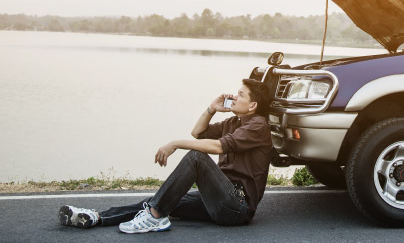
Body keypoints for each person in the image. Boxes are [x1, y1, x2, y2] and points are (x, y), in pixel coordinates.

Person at [58, 78, 271, 233]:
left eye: (241, 95)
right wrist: (211, 108)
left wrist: (175, 144)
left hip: (236, 207)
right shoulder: (233, 122)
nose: (234, 96)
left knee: (196, 157)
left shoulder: (257, 126)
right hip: (219, 198)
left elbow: (217, 147)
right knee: (159, 200)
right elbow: (197, 133)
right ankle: (97, 217)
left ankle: (155, 217)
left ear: (253, 106)